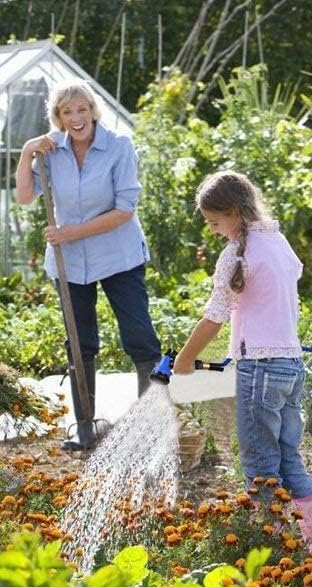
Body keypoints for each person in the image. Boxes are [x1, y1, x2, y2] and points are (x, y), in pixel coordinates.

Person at [15, 79, 162, 449]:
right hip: (70, 262)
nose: (76, 118)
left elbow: (124, 211)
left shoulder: (119, 147)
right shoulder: (50, 151)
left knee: (140, 339)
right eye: (67, 112)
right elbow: (24, 197)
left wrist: (71, 233)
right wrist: (27, 151)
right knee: (80, 345)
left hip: (119, 256)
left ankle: (149, 431)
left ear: (93, 110)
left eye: (82, 109)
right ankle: (86, 431)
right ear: (59, 117)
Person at [173, 170, 312, 544]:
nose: (215, 230)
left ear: (234, 212)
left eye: (216, 222)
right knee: (288, 457)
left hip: (261, 372)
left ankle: (271, 541)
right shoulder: (278, 241)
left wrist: (184, 361)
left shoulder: (237, 253)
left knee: (259, 464)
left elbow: (215, 317)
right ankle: (307, 537)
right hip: (291, 365)